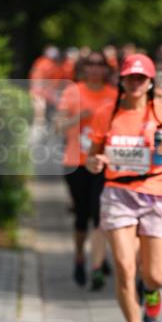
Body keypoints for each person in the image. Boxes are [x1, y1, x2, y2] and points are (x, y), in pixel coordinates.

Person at [86, 53, 162, 322]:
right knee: (125, 268)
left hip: (156, 190)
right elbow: (92, 157)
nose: (135, 83)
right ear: (122, 80)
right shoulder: (107, 113)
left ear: (151, 81)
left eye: (141, 78)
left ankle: (154, 291)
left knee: (156, 274)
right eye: (130, 77)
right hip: (118, 192)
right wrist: (96, 161)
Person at [56, 51, 118, 288]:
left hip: (103, 163)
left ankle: (97, 264)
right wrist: (79, 118)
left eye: (99, 64)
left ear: (106, 69)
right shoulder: (73, 92)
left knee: (99, 213)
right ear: (84, 68)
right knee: (82, 216)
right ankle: (80, 257)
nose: (95, 69)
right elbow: (58, 127)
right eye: (90, 64)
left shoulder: (113, 95)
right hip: (76, 163)